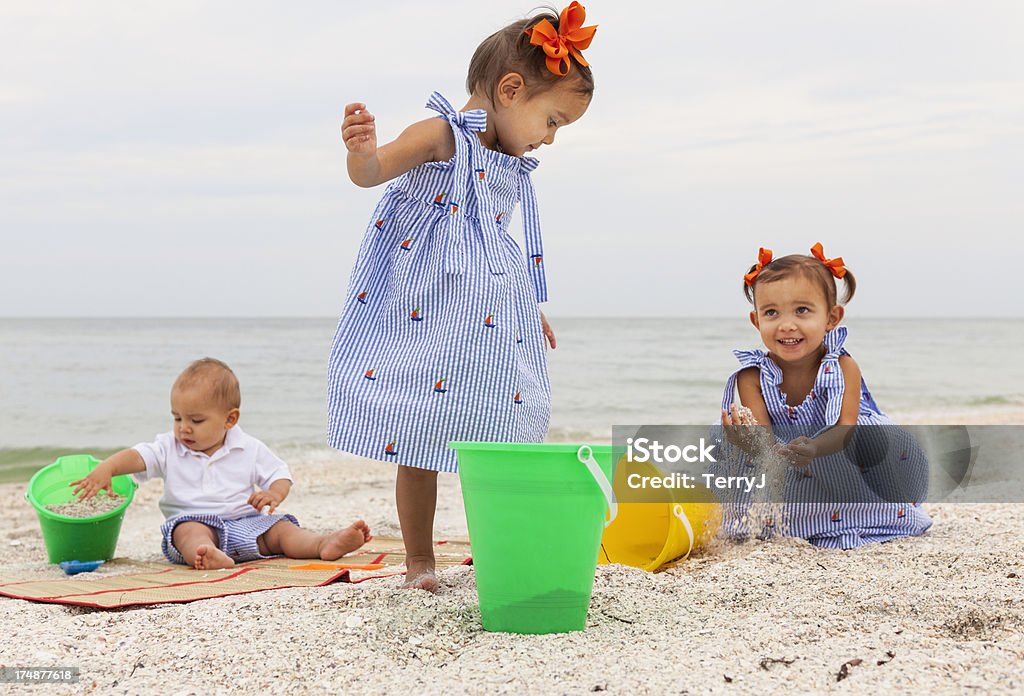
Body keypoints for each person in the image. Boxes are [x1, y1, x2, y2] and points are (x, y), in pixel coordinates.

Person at [326, 3, 597, 590]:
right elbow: (373, 173)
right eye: (552, 120)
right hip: (430, 305)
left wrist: (528, 304)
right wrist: (361, 152)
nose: (550, 139)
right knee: (420, 430)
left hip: (492, 312)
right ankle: (419, 562)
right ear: (510, 89)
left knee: (496, 423)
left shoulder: (505, 161)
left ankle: (498, 547)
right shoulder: (443, 135)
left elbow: (494, 244)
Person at [717, 243, 932, 548]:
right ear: (756, 321)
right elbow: (764, 440)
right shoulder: (751, 375)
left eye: (802, 310)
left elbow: (846, 429)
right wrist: (749, 442)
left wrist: (815, 447)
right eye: (771, 312)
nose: (786, 324)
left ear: (832, 318)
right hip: (786, 460)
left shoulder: (843, 366)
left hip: (842, 455)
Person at [71, 358, 372, 569]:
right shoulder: (169, 447)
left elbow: (280, 475)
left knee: (281, 531)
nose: (183, 428)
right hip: (196, 524)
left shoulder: (249, 448)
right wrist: (108, 467)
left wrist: (274, 494)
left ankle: (322, 544)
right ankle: (208, 556)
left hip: (246, 525)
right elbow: (138, 456)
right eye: (177, 417)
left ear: (230, 419)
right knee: (187, 533)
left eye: (196, 420)